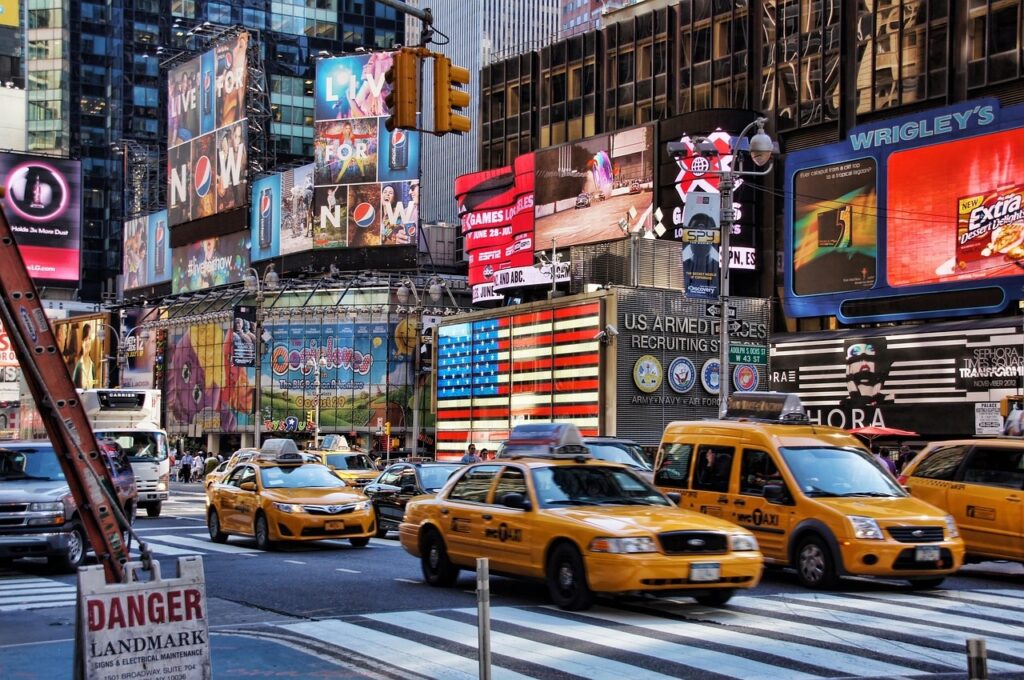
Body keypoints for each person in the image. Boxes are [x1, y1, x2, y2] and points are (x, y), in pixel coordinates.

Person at [840, 339, 892, 409]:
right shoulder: (844, 404)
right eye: (856, 358)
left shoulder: (891, 399)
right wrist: (856, 397)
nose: (864, 365)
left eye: (870, 358)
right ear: (848, 366)